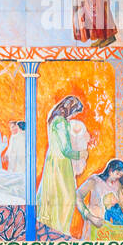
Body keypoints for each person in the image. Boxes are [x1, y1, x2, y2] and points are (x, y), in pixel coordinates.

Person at [36, 95, 86, 236]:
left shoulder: (54, 120)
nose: (75, 116)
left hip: (53, 162)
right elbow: (65, 150)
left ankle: (54, 231)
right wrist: (81, 154)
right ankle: (60, 231)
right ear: (70, 109)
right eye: (75, 112)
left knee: (54, 197)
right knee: (66, 198)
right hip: (61, 163)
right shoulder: (61, 122)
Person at [77, 158, 123, 240]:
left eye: (120, 175)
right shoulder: (94, 180)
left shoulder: (117, 184)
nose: (118, 177)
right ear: (110, 170)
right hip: (95, 222)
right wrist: (89, 216)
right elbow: (78, 196)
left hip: (110, 225)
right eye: (117, 173)